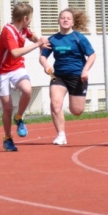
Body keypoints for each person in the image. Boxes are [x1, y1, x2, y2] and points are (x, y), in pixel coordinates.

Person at [0, 3, 49, 152]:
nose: (30, 21)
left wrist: (40, 42)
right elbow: (15, 52)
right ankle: (7, 138)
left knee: (27, 90)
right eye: (30, 18)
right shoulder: (8, 31)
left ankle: (19, 117)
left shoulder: (23, 28)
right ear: (25, 18)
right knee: (7, 107)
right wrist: (37, 45)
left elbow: (31, 36)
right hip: (1, 71)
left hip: (17, 68)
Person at [39, 8, 96, 146]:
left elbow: (92, 55)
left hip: (77, 76)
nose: (65, 20)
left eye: (68, 18)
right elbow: (42, 56)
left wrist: (85, 70)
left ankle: (65, 127)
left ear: (73, 23)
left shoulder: (79, 38)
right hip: (58, 76)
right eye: (63, 18)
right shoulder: (53, 39)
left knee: (77, 111)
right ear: (58, 21)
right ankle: (61, 135)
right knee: (55, 104)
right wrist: (46, 65)